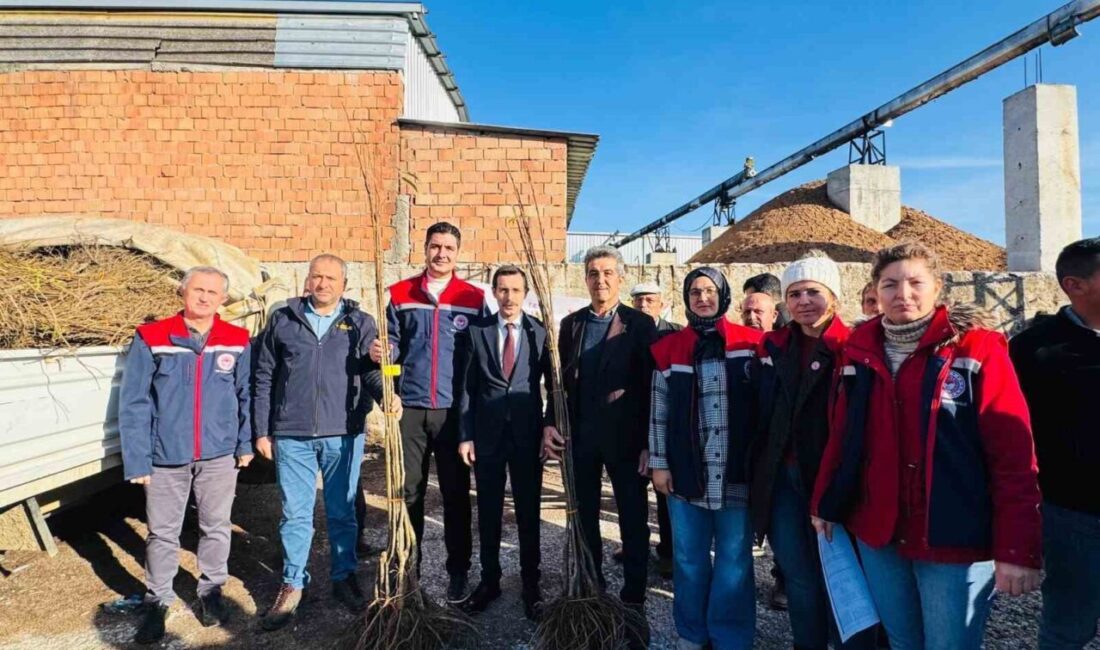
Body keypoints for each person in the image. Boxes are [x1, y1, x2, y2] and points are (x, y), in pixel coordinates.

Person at [813, 241, 1042, 650]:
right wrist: (824, 502)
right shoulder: (859, 351)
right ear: (875, 291)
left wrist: (1016, 547)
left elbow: (1012, 453)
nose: (903, 294)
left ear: (938, 288)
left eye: (916, 282)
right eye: (890, 284)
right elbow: (842, 435)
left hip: (951, 531)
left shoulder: (977, 348)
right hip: (880, 529)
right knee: (902, 641)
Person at [119, 266, 253, 644]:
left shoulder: (237, 339)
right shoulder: (153, 337)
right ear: (183, 292)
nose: (205, 297)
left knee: (216, 525)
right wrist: (138, 459)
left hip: (219, 454)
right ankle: (157, 599)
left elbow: (246, 396)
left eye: (213, 292)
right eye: (198, 290)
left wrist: (244, 444)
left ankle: (210, 591)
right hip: (165, 455)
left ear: (223, 298)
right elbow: (134, 402)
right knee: (162, 533)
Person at [749, 251, 875, 650]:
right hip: (783, 479)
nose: (803, 301)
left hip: (834, 479)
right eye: (795, 293)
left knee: (841, 575)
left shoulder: (852, 348)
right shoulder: (773, 347)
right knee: (799, 574)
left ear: (833, 297)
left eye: (813, 292)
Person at [253, 254, 384, 631]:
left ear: (344, 284)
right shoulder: (283, 319)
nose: (323, 284)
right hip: (292, 434)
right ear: (307, 280)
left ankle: (344, 576)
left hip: (343, 432)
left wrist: (387, 393)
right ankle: (294, 583)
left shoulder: (360, 322)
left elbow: (372, 372)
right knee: (295, 513)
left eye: (331, 278)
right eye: (317, 277)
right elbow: (263, 377)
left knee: (342, 510)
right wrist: (262, 430)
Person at [370, 221, 488, 603]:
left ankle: (458, 572)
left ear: (458, 252)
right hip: (411, 411)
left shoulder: (473, 298)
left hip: (454, 413)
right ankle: (409, 568)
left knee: (455, 495)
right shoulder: (401, 293)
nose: (441, 254)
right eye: (435, 246)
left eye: (449, 248)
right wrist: (386, 372)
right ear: (424, 249)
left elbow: (481, 356)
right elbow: (391, 353)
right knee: (409, 493)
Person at [650, 267, 760, 650]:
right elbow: (658, 411)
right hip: (686, 473)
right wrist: (659, 463)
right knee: (689, 560)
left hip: (737, 474)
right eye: (695, 291)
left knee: (734, 562)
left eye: (710, 290)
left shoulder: (753, 344)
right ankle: (692, 633)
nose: (702, 297)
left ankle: (729, 636)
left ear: (723, 295)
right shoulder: (670, 348)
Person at [542, 245, 656, 611]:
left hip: (626, 440)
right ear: (585, 278)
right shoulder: (571, 324)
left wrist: (648, 443)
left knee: (632, 516)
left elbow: (651, 386)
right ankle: (594, 584)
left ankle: (634, 593)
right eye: (593, 273)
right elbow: (557, 383)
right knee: (585, 513)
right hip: (580, 438)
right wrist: (550, 424)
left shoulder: (639, 325)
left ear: (620, 278)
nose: (600, 279)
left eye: (608, 273)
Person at [1010, 237, 1100, 650]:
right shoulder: (1034, 349)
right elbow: (1012, 432)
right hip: (1074, 515)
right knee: (1069, 623)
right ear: (1074, 285)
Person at [457, 265, 549, 620]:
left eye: (515, 290)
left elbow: (553, 385)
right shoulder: (478, 333)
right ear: (493, 293)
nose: (508, 296)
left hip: (528, 437)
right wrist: (465, 434)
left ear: (525, 293)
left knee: (528, 512)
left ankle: (531, 584)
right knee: (490, 512)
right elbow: (467, 387)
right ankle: (489, 581)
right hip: (487, 437)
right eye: (502, 289)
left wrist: (549, 426)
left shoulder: (539, 332)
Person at [616, 280, 680, 579]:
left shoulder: (675, 334)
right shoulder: (622, 333)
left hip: (665, 426)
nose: (643, 305)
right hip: (632, 425)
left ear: (662, 303)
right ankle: (634, 545)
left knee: (665, 494)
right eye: (638, 300)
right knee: (631, 493)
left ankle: (668, 551)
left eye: (649, 300)